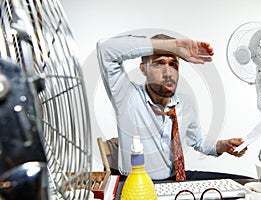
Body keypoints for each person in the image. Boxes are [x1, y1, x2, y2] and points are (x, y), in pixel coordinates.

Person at [97, 33, 250, 181]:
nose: (168, 73)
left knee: (243, 184)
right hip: (138, 184)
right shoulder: (127, 97)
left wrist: (223, 145)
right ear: (143, 69)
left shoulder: (186, 103)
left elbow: (199, 141)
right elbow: (105, 48)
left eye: (173, 64)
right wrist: (172, 47)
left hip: (176, 178)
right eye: (158, 64)